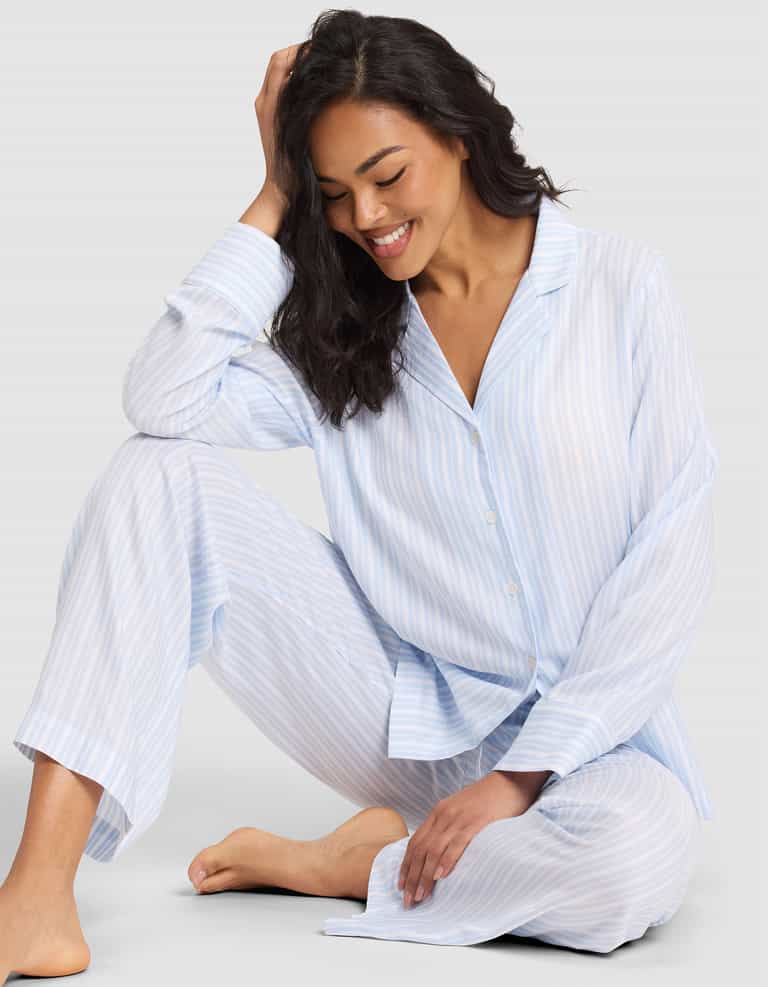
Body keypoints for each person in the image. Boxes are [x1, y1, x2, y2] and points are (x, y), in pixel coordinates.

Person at [0, 10, 718, 979]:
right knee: (154, 469)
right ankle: (37, 890)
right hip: (406, 710)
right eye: (332, 193)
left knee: (627, 870)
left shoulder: (619, 287)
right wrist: (272, 195)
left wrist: (517, 779)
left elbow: (673, 550)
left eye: (386, 176)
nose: (366, 218)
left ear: (458, 133)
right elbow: (164, 399)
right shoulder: (346, 335)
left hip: (600, 737)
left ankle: (353, 865)